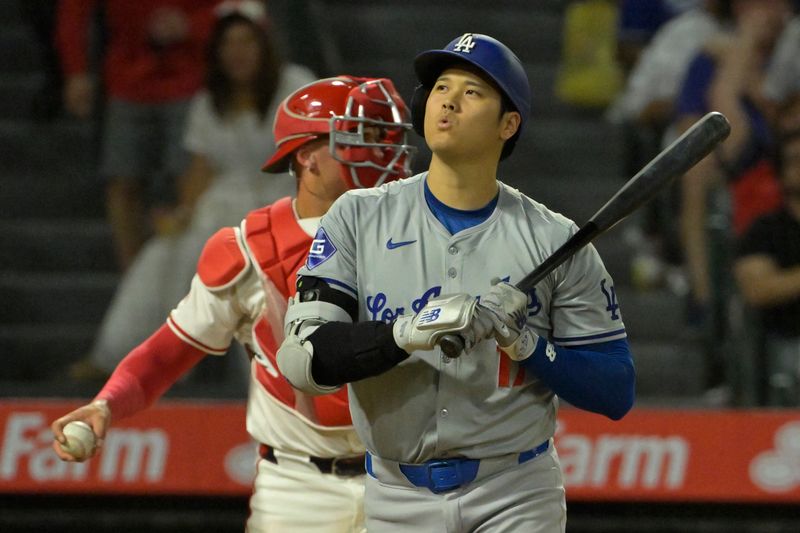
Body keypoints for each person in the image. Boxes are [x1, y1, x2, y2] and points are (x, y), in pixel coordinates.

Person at [275, 33, 636, 532]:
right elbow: (301, 360)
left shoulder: (555, 241)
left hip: (514, 491)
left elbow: (616, 390)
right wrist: (405, 334)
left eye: (472, 91)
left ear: (509, 124)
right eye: (441, 86)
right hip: (395, 494)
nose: (447, 99)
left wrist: (523, 341)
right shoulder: (357, 216)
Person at [51, 75, 416, 532]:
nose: (383, 153)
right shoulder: (252, 248)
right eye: (361, 138)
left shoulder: (430, 232)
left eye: (386, 137)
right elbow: (171, 350)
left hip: (410, 479)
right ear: (305, 156)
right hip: (298, 487)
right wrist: (106, 405)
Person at [69, 1, 316, 382]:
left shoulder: (296, 85)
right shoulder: (208, 101)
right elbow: (200, 169)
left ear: (263, 45)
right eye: (228, 44)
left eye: (245, 42)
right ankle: (130, 359)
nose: (237, 52)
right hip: (222, 205)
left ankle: (275, 373)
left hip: (285, 201)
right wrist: (181, 212)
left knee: (263, 264)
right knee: (165, 256)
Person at [674, 0, 791, 394]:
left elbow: (780, 113)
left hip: (783, 149)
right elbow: (704, 126)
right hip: (746, 168)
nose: (770, 12)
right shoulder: (708, 58)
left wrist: (742, 59)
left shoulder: (789, 48)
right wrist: (742, 50)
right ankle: (705, 298)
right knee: (701, 166)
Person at [56, 0, 220, 269]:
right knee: (122, 183)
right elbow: (74, 10)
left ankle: (196, 275)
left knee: (191, 182)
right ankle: (132, 278)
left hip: (192, 75)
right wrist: (75, 70)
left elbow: (241, 7)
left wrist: (192, 26)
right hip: (127, 77)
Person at [734, 125, 800, 406]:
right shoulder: (765, 230)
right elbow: (757, 289)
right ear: (782, 172)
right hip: (789, 341)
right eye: (796, 160)